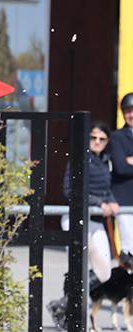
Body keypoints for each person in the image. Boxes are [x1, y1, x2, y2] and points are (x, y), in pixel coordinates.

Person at [63, 122, 119, 284]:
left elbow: (106, 190)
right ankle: (69, 298)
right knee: (77, 265)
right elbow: (70, 191)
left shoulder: (106, 161)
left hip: (96, 220)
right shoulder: (79, 158)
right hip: (77, 218)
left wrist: (112, 201)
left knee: (104, 273)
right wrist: (99, 203)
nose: (97, 141)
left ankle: (70, 295)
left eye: (102, 139)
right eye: (93, 137)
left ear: (107, 141)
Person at [108, 93, 133, 250]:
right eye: (128, 111)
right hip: (125, 199)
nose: (131, 115)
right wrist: (126, 162)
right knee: (130, 247)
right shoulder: (117, 136)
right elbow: (121, 167)